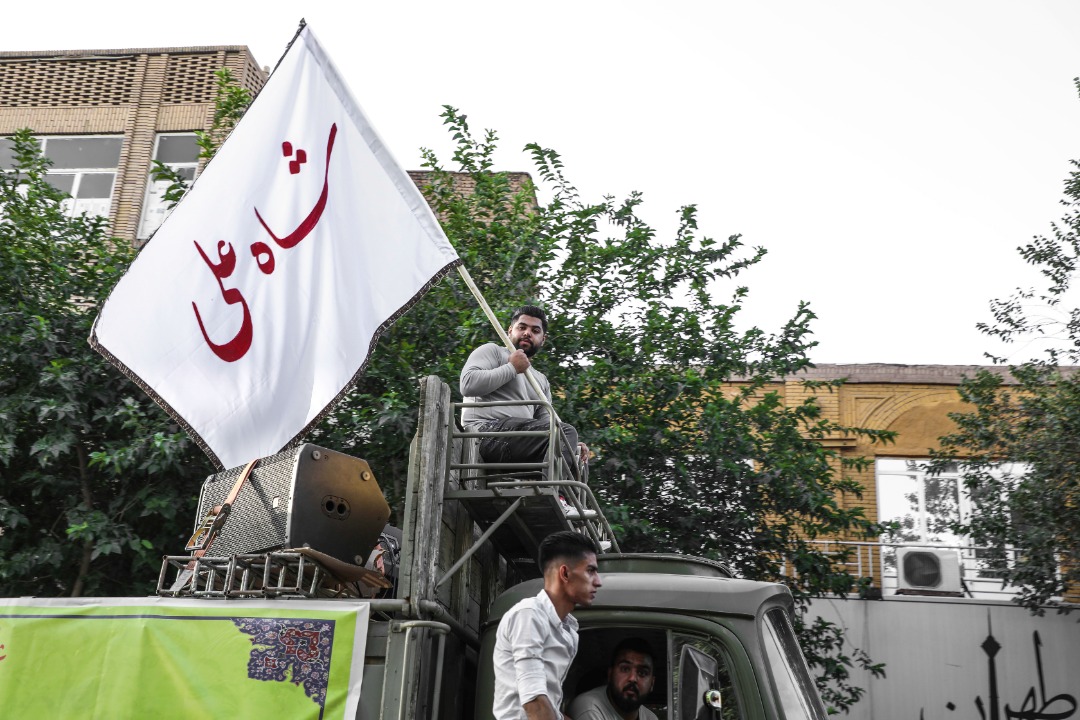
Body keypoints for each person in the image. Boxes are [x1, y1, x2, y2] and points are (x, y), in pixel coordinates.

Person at [460, 305, 588, 480]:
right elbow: (468, 384)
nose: (527, 333)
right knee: (566, 433)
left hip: (519, 443)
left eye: (535, 330)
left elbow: (548, 424)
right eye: (522, 327)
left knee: (574, 454)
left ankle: (563, 501)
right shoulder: (493, 351)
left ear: (543, 339)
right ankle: (552, 491)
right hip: (484, 434)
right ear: (510, 330)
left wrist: (570, 446)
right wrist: (512, 368)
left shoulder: (540, 380)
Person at [493, 531, 603, 720]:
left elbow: (550, 707)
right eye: (590, 571)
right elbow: (534, 703)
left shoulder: (568, 631)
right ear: (565, 573)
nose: (598, 581)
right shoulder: (529, 615)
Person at [568, 638, 658, 720]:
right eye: (625, 669)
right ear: (610, 674)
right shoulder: (589, 708)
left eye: (642, 673)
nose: (633, 678)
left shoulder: (650, 717)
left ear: (652, 684)